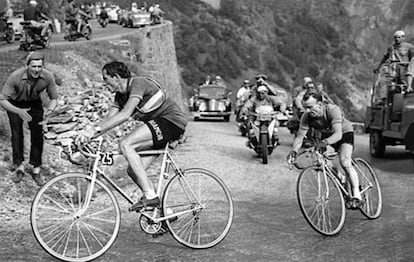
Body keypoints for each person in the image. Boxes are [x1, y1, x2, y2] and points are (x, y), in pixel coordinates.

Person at [76, 61, 187, 211]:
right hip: (159, 126)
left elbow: (125, 114)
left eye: (105, 78)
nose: (104, 83)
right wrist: (88, 136)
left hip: (171, 121)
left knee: (126, 144)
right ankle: (163, 213)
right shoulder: (119, 96)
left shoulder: (138, 83)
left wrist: (92, 130)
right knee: (133, 170)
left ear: (116, 77)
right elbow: (109, 121)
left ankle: (150, 197)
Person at [286, 90, 361, 208]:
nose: (307, 111)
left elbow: (338, 135)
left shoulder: (332, 110)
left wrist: (323, 143)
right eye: (305, 108)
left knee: (345, 161)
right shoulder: (306, 116)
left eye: (310, 107)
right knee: (323, 161)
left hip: (343, 133)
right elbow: (300, 137)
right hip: (326, 136)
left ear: (320, 104)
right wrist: (294, 151)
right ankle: (340, 177)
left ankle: (357, 195)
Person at [0, 52, 58, 186]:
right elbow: (2, 100)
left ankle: (36, 168)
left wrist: (49, 111)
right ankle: (19, 166)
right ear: (27, 66)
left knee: (37, 134)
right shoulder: (15, 76)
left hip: (33, 103)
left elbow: (54, 98)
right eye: (33, 66)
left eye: (39, 66)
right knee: (17, 133)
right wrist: (18, 111)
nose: (36, 70)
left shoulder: (48, 76)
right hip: (15, 104)